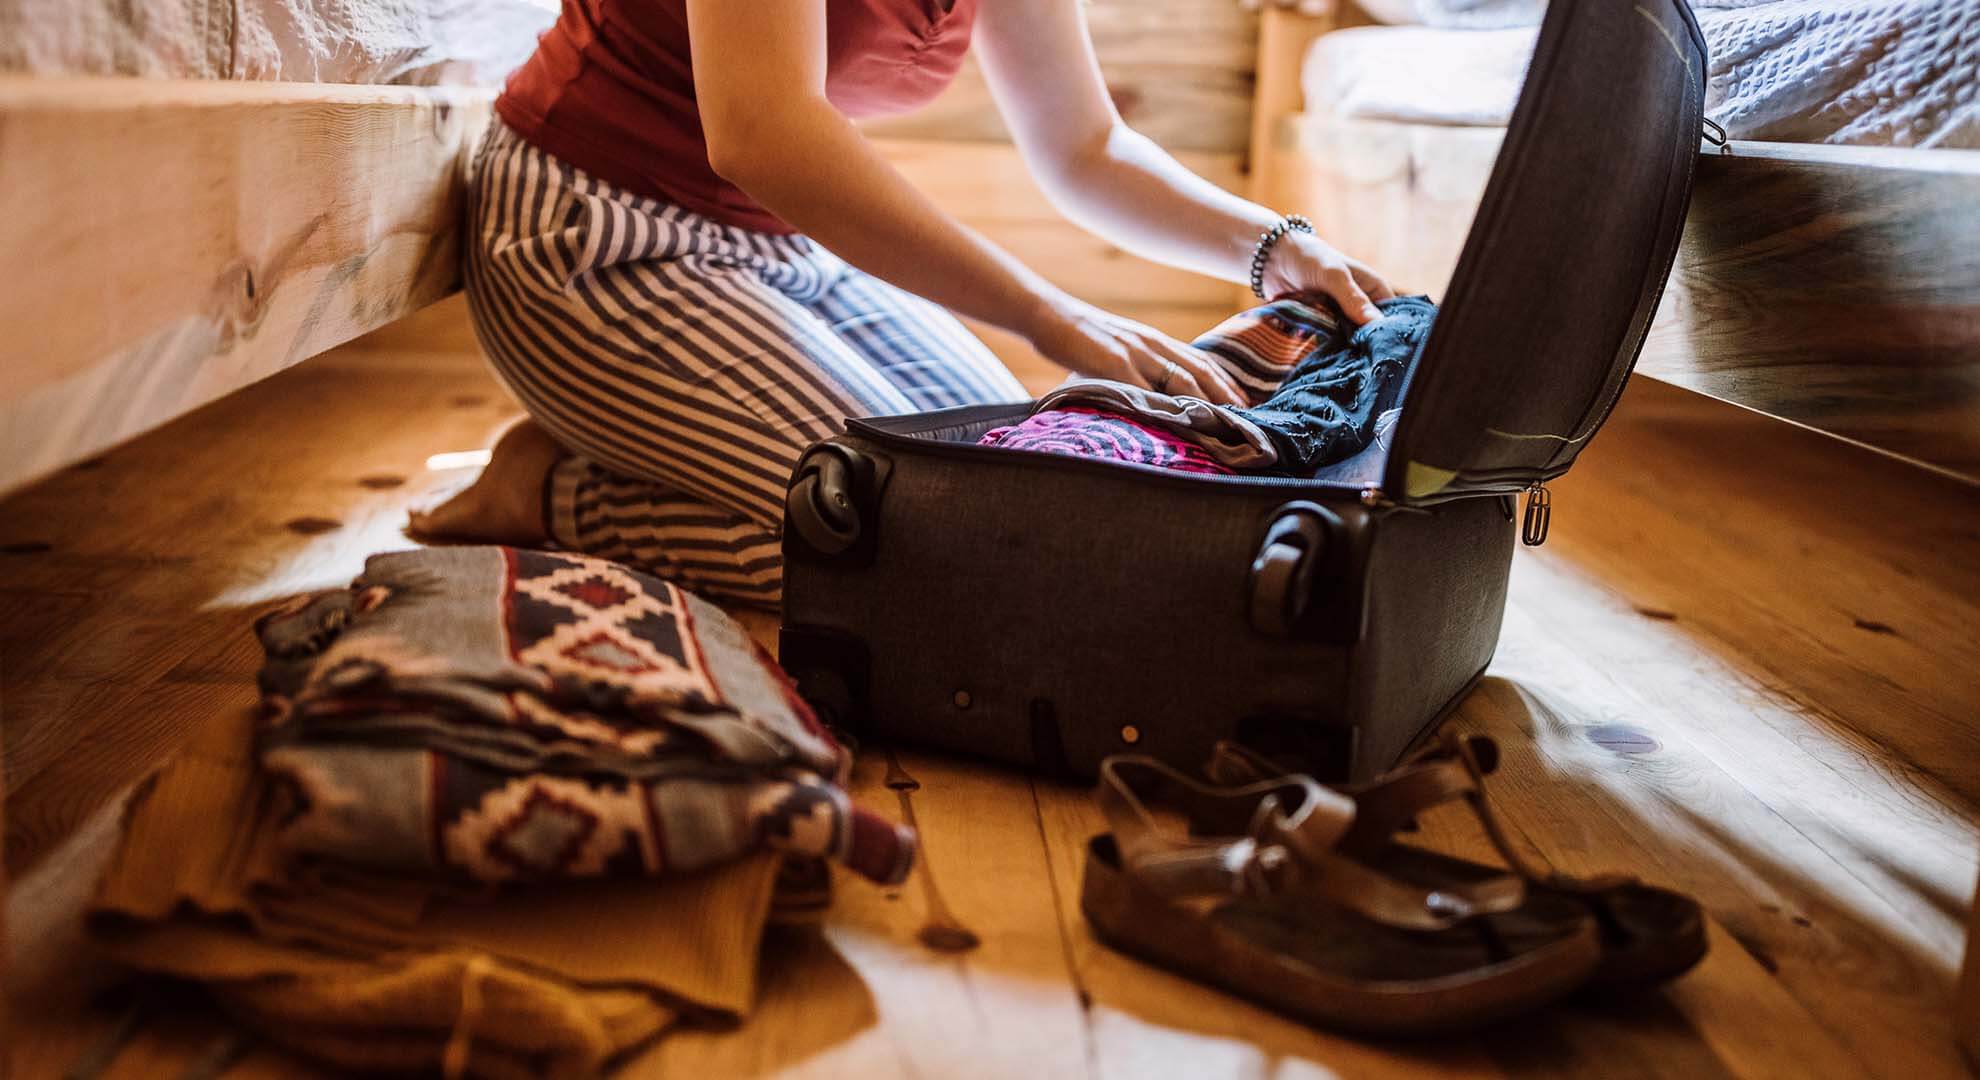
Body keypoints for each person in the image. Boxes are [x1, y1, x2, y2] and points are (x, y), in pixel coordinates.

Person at [411, 0, 1394, 607]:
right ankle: (553, 494)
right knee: (935, 561)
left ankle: (626, 451)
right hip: (595, 233)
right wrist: (1051, 315)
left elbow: (1087, 145)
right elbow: (763, 133)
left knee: (1017, 504)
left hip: (784, 249)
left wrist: (1271, 245)